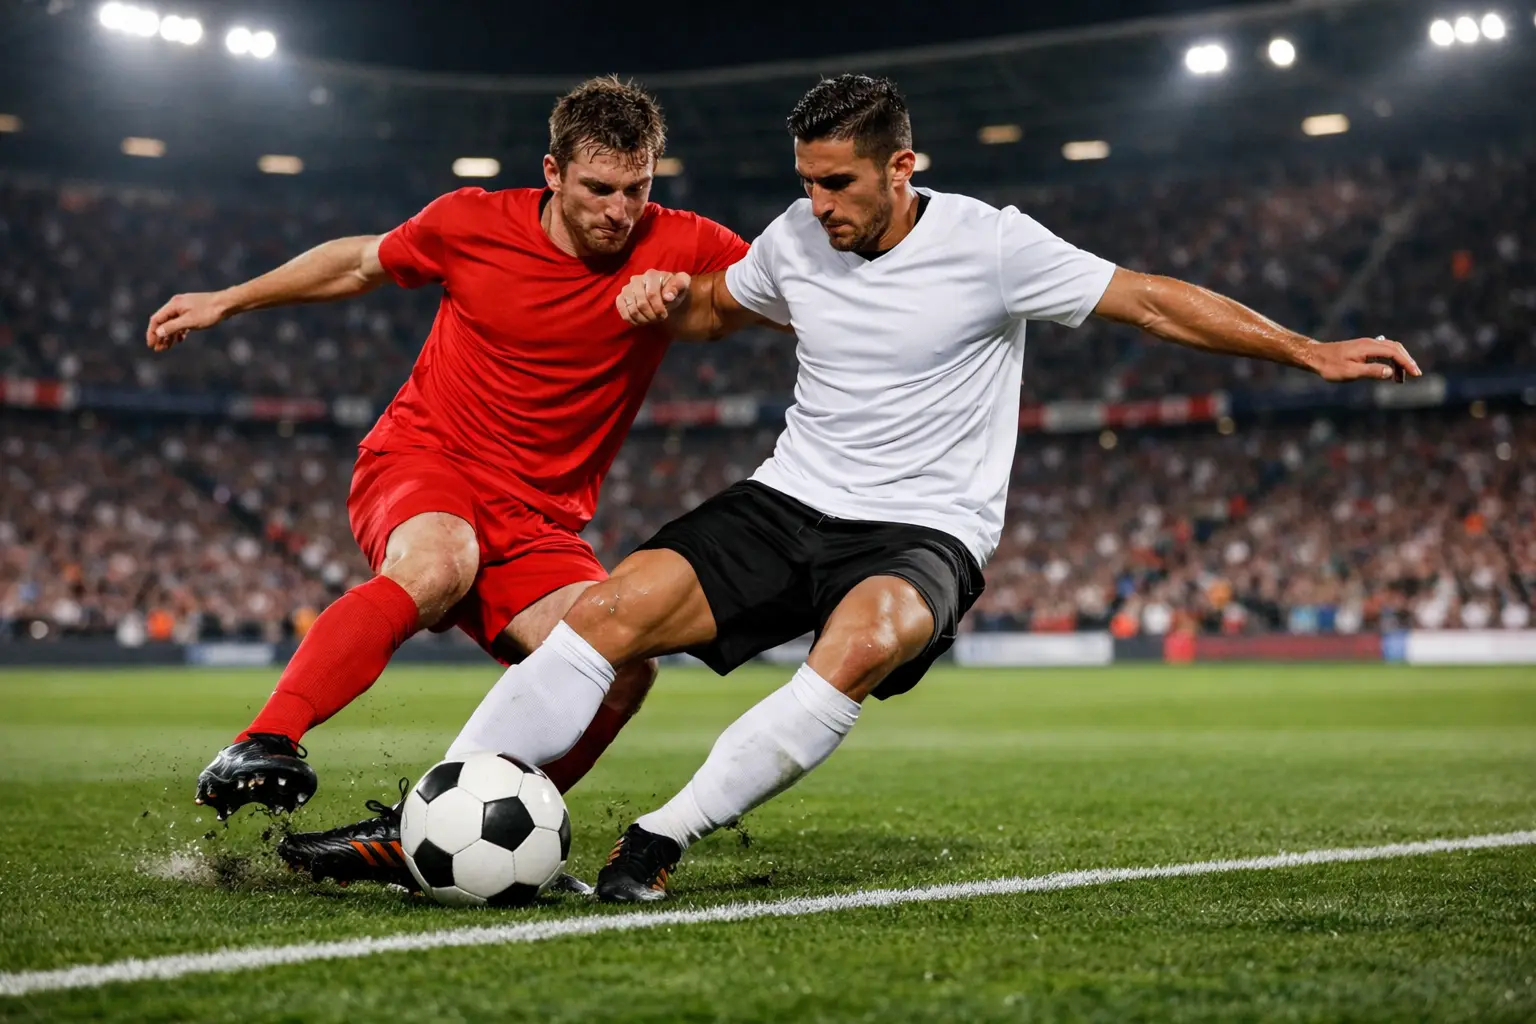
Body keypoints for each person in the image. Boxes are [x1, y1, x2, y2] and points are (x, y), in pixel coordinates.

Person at [427, 73, 1423, 903]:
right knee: (610, 610)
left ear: (903, 168)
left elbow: (1150, 301)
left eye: (840, 183)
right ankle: (428, 805)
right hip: (789, 499)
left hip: (923, 528)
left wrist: (1308, 351)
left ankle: (656, 837)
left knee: (857, 643)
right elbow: (716, 310)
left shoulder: (993, 245)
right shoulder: (796, 236)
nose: (821, 204)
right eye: (808, 182)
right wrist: (663, 301)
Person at [143, 76, 750, 889]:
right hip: (427, 461)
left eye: (635, 190)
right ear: (553, 173)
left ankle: (438, 827)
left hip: (538, 524)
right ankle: (267, 738)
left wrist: (692, 296)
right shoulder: (471, 222)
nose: (618, 210)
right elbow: (357, 263)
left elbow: (784, 292)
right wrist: (228, 300)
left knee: (626, 659)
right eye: (598, 189)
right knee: (439, 563)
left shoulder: (684, 242)